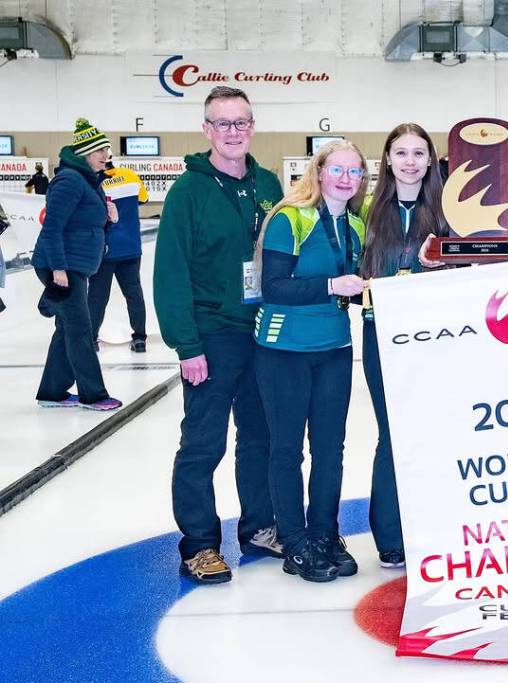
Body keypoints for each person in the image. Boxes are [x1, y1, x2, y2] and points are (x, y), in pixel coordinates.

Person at [154, 86, 284, 584]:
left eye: (242, 122)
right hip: (211, 334)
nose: (234, 132)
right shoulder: (189, 191)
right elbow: (170, 271)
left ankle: (258, 527)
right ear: (206, 129)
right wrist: (187, 344)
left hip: (262, 333)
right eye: (223, 123)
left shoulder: (269, 184)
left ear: (253, 126)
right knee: (203, 444)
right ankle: (201, 544)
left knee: (260, 437)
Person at [253, 140, 367, 582]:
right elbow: (274, 287)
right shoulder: (290, 218)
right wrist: (332, 287)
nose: (344, 178)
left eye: (354, 172)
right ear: (318, 172)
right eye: (336, 169)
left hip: (334, 349)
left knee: (329, 450)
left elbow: (355, 287)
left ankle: (324, 533)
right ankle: (295, 541)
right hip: (284, 350)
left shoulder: (355, 225)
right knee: (286, 449)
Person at [362, 123, 449, 568]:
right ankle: (391, 535)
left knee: (434, 432)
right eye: (402, 153)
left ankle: (434, 528)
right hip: (383, 333)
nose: (411, 162)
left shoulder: (447, 211)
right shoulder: (367, 212)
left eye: (419, 153)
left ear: (431, 160)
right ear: (388, 159)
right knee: (392, 434)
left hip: (436, 337)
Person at [31, 118, 122, 411]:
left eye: (107, 151)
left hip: (75, 264)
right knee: (81, 329)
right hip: (62, 265)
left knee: (68, 328)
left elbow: (88, 226)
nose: (107, 156)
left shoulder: (88, 181)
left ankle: (52, 391)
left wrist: (110, 220)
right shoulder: (69, 180)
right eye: (101, 151)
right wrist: (57, 270)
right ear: (86, 153)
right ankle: (92, 395)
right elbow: (52, 227)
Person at [88, 162, 150, 352]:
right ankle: (139, 338)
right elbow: (143, 199)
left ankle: (91, 339)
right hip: (131, 246)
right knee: (134, 294)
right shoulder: (130, 175)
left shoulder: (94, 182)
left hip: (104, 250)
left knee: (97, 296)